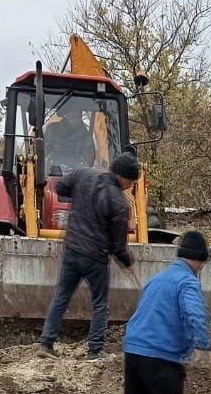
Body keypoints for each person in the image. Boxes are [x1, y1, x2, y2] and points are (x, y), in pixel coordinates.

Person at [120, 231, 211, 394]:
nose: (202, 267)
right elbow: (194, 315)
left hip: (134, 351)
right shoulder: (187, 281)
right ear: (199, 260)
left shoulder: (157, 279)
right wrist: (202, 346)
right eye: (202, 262)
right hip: (160, 356)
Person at [39, 152, 142, 361]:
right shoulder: (120, 205)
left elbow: (60, 188)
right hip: (94, 259)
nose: (130, 185)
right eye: (131, 181)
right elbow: (117, 245)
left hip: (72, 250)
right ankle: (95, 351)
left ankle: (46, 344)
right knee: (100, 304)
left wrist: (79, 196)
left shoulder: (83, 174)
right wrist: (128, 262)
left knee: (61, 296)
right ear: (122, 176)